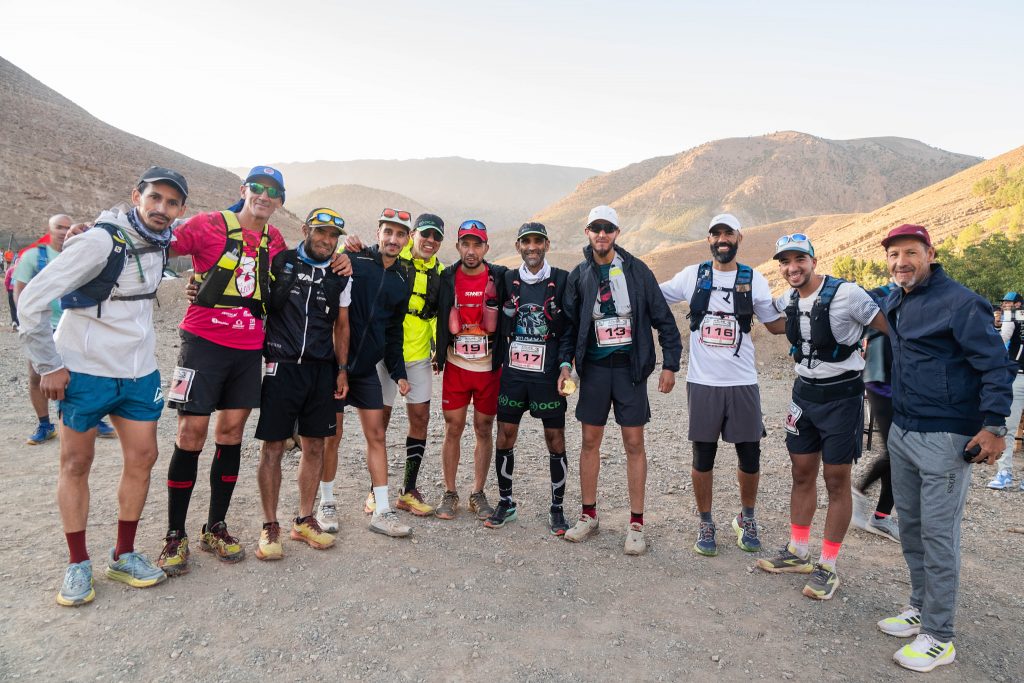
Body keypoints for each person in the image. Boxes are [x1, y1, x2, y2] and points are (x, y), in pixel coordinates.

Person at [19, 166, 188, 606]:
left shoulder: (163, 239)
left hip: (138, 370)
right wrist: (48, 365)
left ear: (179, 209)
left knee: (144, 457)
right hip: (84, 369)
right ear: (136, 197)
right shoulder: (99, 241)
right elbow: (31, 299)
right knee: (77, 462)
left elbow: (232, 220)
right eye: (155, 198)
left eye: (171, 202)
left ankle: (123, 555)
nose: (162, 208)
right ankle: (77, 562)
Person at [873, 224, 1013, 673]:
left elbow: (996, 366)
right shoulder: (897, 298)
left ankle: (939, 636)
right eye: (894, 255)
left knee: (938, 535)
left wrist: (994, 426)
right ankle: (919, 608)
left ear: (931, 254)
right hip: (904, 430)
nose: (901, 262)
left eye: (910, 253)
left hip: (946, 437)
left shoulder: (961, 302)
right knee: (912, 528)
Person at [157, 166, 288, 576]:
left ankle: (215, 527)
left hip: (248, 349)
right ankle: (174, 534)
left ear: (279, 201)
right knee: (190, 434)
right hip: (202, 343)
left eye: (273, 192)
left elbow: (294, 275)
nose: (264, 196)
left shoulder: (275, 240)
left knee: (230, 434)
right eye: (258, 187)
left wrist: (342, 256)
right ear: (244, 190)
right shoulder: (209, 224)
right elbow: (160, 242)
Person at [755, 235, 887, 601]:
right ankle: (798, 551)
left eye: (799, 259)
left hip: (842, 397)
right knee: (801, 473)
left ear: (813, 260)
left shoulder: (848, 294)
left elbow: (886, 326)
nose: (792, 267)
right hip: (804, 395)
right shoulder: (788, 299)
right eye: (785, 262)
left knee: (836, 479)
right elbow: (775, 325)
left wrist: (882, 366)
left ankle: (828, 565)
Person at [659, 213, 783, 557]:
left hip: (743, 380)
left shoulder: (754, 279)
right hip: (703, 382)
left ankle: (747, 518)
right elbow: (655, 297)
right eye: (716, 234)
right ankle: (705, 522)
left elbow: (774, 324)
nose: (722, 239)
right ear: (709, 240)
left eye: (728, 233)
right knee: (703, 454)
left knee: (750, 454)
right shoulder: (692, 276)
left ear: (739, 237)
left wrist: (815, 315)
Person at [560, 206, 682, 555]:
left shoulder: (637, 271)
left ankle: (636, 524)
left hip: (630, 370)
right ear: (587, 232)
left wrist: (670, 364)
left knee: (634, 443)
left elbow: (663, 318)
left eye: (608, 228)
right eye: (596, 228)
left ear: (617, 232)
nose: (602, 234)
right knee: (589, 441)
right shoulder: (579, 275)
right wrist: (565, 365)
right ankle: (588, 515)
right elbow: (568, 326)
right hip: (595, 370)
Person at [252, 208, 350, 559]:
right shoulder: (282, 261)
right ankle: (269, 526)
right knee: (273, 448)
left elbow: (342, 325)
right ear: (306, 229)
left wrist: (342, 369)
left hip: (321, 370)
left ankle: (305, 519)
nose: (327, 240)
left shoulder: (341, 273)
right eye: (321, 232)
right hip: (282, 365)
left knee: (316, 446)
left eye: (333, 236)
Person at [337, 213, 446, 524]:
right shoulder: (392, 261)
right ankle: (375, 491)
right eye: (425, 234)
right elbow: (356, 264)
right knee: (379, 422)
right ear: (414, 236)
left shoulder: (441, 272)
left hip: (419, 355)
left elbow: (440, 312)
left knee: (420, 419)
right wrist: (347, 248)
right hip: (384, 354)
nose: (430, 241)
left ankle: (408, 489)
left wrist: (439, 349)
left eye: (436, 237)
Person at [321, 208, 413, 537]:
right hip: (333, 365)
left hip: (365, 371)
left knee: (377, 436)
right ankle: (326, 503)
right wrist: (342, 249)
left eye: (400, 234)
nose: (393, 239)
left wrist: (399, 372)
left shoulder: (403, 278)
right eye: (388, 232)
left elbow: (394, 330)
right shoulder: (355, 259)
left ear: (407, 239)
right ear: (378, 234)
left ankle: (382, 510)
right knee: (332, 437)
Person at [485, 222, 572, 534]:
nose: (532, 247)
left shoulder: (562, 279)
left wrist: (566, 366)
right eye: (526, 242)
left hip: (547, 375)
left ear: (546, 244)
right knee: (505, 434)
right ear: (518, 246)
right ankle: (506, 502)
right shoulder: (507, 278)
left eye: (538, 241)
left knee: (555, 439)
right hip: (514, 374)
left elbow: (569, 328)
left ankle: (557, 508)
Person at [14, 215, 116, 444]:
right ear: (49, 230)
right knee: (37, 375)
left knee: (86, 374)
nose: (63, 231)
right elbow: (20, 290)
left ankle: (92, 418)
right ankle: (44, 424)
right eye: (58, 227)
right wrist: (23, 321)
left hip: (75, 325)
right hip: (44, 325)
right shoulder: (33, 256)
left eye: (66, 227)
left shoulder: (87, 251)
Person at [433, 220, 508, 521]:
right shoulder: (446, 278)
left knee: (484, 428)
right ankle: (450, 492)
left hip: (488, 368)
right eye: (466, 244)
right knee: (453, 427)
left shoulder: (500, 277)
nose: (471, 250)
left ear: (486, 247)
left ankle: (477, 492)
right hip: (456, 365)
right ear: (458, 246)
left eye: (477, 244)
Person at [851, 283, 900, 542]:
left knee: (900, 453)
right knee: (896, 452)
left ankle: (881, 514)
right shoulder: (881, 294)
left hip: (906, 384)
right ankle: (862, 496)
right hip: (881, 382)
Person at [987, 291, 1024, 490]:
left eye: (1009, 303)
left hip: (1017, 375)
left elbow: (1002, 340)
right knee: (1008, 426)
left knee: (1008, 427)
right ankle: (1004, 472)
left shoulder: (1013, 316)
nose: (1005, 306)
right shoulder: (1012, 315)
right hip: (1017, 374)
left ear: (1018, 304)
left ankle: (1004, 473)